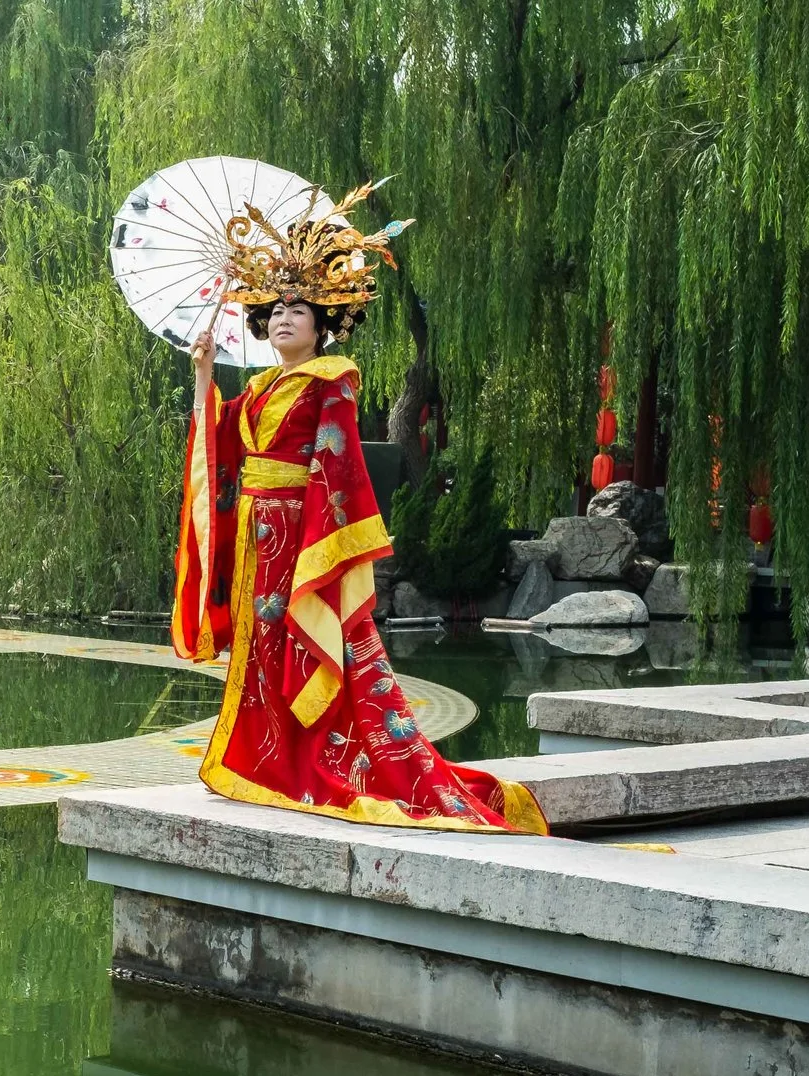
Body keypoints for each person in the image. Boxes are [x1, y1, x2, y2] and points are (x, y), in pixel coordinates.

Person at [173, 188, 544, 833]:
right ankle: (265, 761)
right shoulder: (257, 388)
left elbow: (337, 469)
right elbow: (220, 450)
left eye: (299, 309)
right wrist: (205, 376)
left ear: (324, 324)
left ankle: (320, 766)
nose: (285, 318)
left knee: (299, 643)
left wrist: (322, 547)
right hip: (255, 543)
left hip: (300, 536)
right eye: (277, 310)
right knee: (262, 655)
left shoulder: (333, 380)